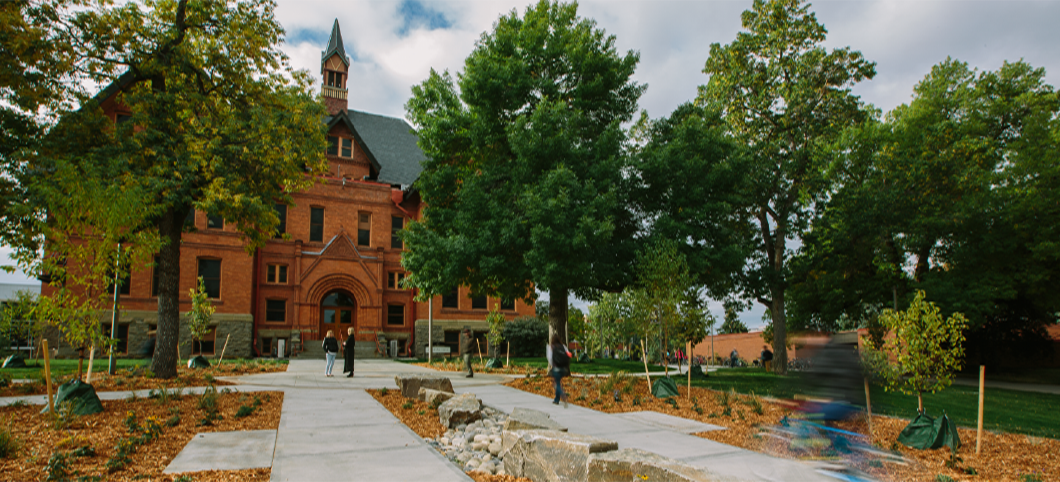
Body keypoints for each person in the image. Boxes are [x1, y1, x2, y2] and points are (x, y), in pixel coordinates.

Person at [546, 333, 570, 407]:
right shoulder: (563, 346)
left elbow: (549, 357)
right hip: (563, 368)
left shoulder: (551, 347)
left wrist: (552, 365)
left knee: (556, 384)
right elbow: (568, 354)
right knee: (558, 383)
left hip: (556, 368)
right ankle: (556, 399)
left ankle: (563, 396)